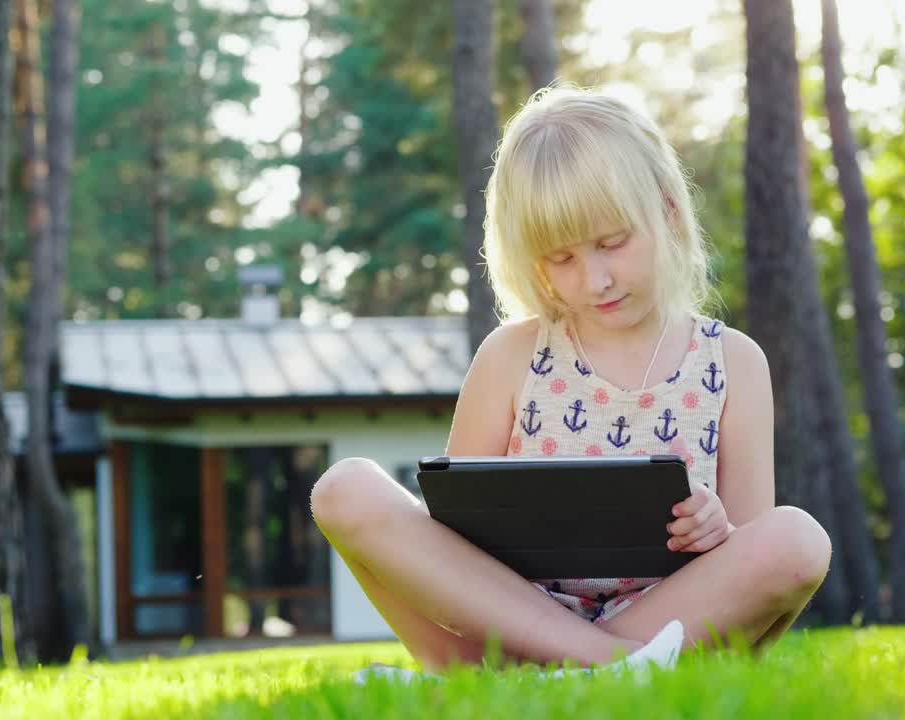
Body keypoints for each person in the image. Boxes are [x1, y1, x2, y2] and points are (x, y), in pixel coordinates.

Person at [311, 84, 832, 676]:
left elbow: (747, 554)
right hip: (504, 630)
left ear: (666, 209)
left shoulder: (732, 361)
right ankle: (612, 668)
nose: (596, 279)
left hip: (668, 623)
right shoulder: (512, 356)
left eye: (613, 243)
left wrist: (717, 527)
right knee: (344, 488)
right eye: (562, 259)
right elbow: (450, 549)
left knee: (798, 540)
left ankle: (568, 677)